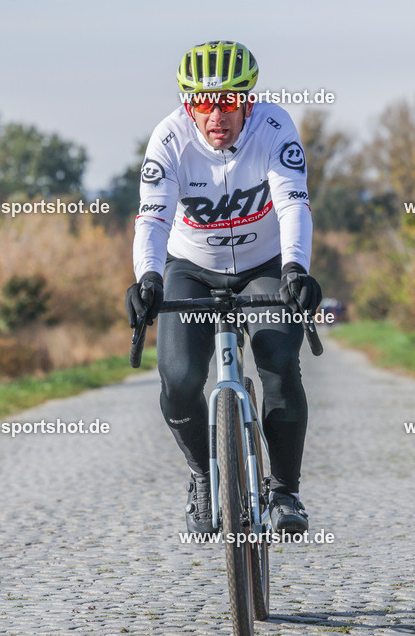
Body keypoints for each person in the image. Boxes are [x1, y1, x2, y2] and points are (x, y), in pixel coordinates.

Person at [126, 40, 322, 535]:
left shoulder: (274, 128)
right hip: (191, 265)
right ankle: (200, 474)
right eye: (203, 103)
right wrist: (147, 278)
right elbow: (151, 219)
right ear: (187, 105)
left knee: (279, 363)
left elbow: (293, 205)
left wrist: (296, 269)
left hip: (264, 263)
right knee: (180, 378)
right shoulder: (168, 139)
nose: (217, 114)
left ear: (248, 101)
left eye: (230, 101)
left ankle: (284, 491)